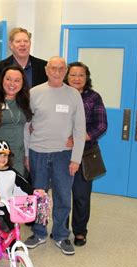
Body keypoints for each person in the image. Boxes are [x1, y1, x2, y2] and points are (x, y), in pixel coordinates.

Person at [24, 56, 86, 256]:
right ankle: (39, 232)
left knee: (62, 195)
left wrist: (76, 158)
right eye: (53, 68)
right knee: (38, 196)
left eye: (61, 68)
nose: (57, 71)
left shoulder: (73, 95)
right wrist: (26, 154)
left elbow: (79, 128)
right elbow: (27, 125)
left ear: (65, 70)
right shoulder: (34, 93)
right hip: (38, 152)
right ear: (47, 69)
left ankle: (60, 235)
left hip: (63, 155)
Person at [64, 61, 107, 246]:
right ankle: (61, 230)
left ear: (86, 77)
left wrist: (81, 138)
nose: (76, 78)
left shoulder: (94, 97)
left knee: (81, 196)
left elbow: (102, 125)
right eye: (73, 74)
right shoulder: (60, 95)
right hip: (62, 153)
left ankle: (80, 232)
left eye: (81, 75)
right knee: (62, 194)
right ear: (67, 76)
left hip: (85, 154)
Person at [0, 139, 41, 232]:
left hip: (7, 204)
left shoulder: (12, 172)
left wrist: (34, 191)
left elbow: (24, 184)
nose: (2, 158)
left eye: (5, 155)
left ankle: (13, 244)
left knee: (14, 228)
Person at [0, 65, 32, 175]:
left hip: (19, 156)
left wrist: (27, 155)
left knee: (17, 190)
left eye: (17, 80)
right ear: (2, 80)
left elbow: (28, 129)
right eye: (8, 79)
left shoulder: (25, 101)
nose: (12, 84)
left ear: (22, 83)